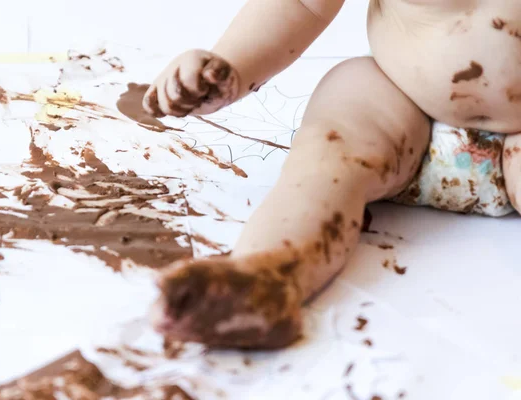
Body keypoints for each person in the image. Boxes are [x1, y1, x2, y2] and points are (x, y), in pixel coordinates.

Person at [144, 0, 521, 349]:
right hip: (400, 94)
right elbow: (303, 5)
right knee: (326, 156)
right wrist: (229, 67)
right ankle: (266, 277)